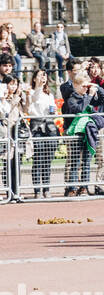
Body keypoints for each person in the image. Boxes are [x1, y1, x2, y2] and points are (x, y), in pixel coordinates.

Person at [22, 68, 58, 198]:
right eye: (40, 75)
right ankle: (37, 190)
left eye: (45, 75)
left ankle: (46, 189)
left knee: (47, 160)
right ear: (35, 78)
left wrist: (54, 113)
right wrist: (38, 85)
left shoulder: (49, 93)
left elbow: (53, 108)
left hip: (49, 125)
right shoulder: (31, 92)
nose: (43, 77)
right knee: (38, 160)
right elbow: (33, 102)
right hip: (37, 126)